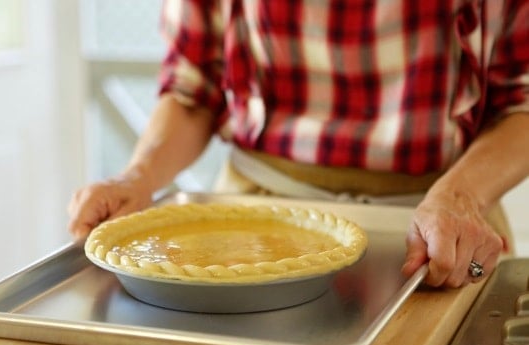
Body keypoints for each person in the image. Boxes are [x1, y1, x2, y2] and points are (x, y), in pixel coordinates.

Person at [68, 1, 529, 288]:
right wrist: (137, 176)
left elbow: (522, 100)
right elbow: (194, 87)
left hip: (441, 226)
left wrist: (460, 197)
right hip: (251, 215)